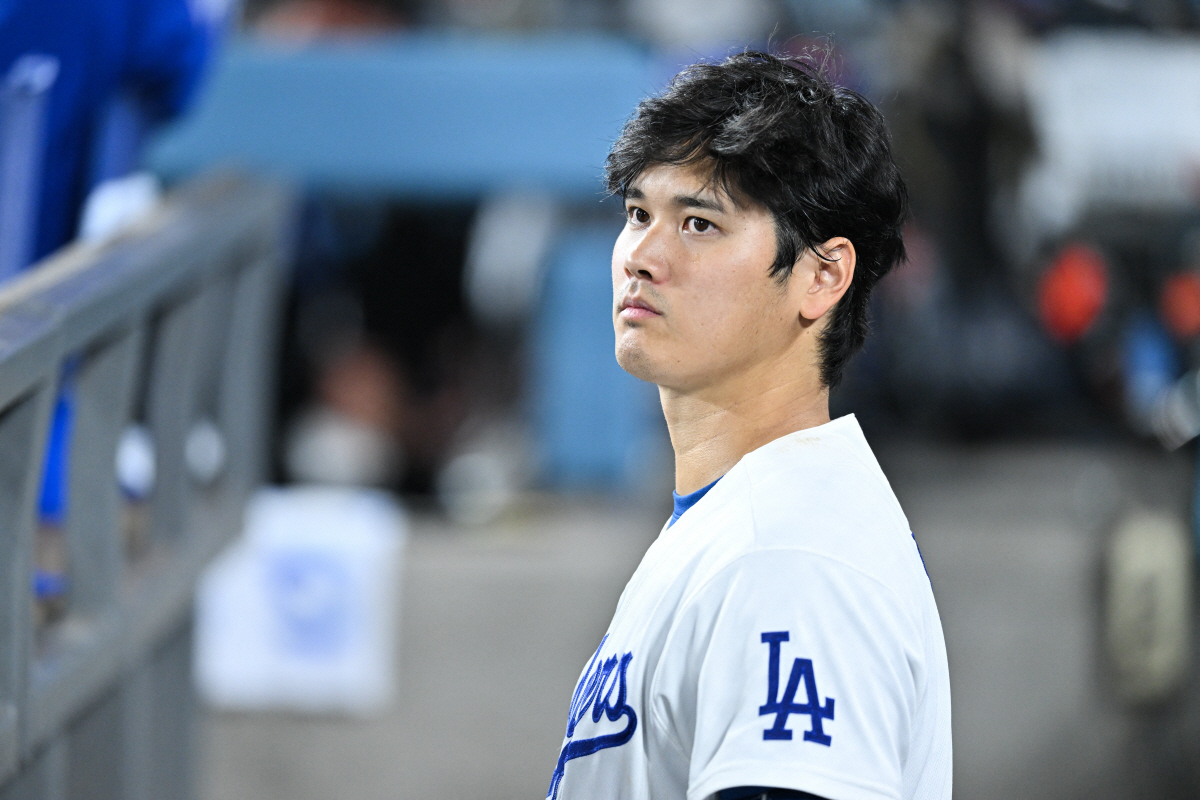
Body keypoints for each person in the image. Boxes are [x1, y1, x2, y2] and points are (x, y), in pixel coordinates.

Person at [546, 52, 951, 800]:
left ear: (822, 276)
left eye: (699, 223)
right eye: (639, 213)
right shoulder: (745, 525)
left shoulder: (792, 556)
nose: (642, 256)